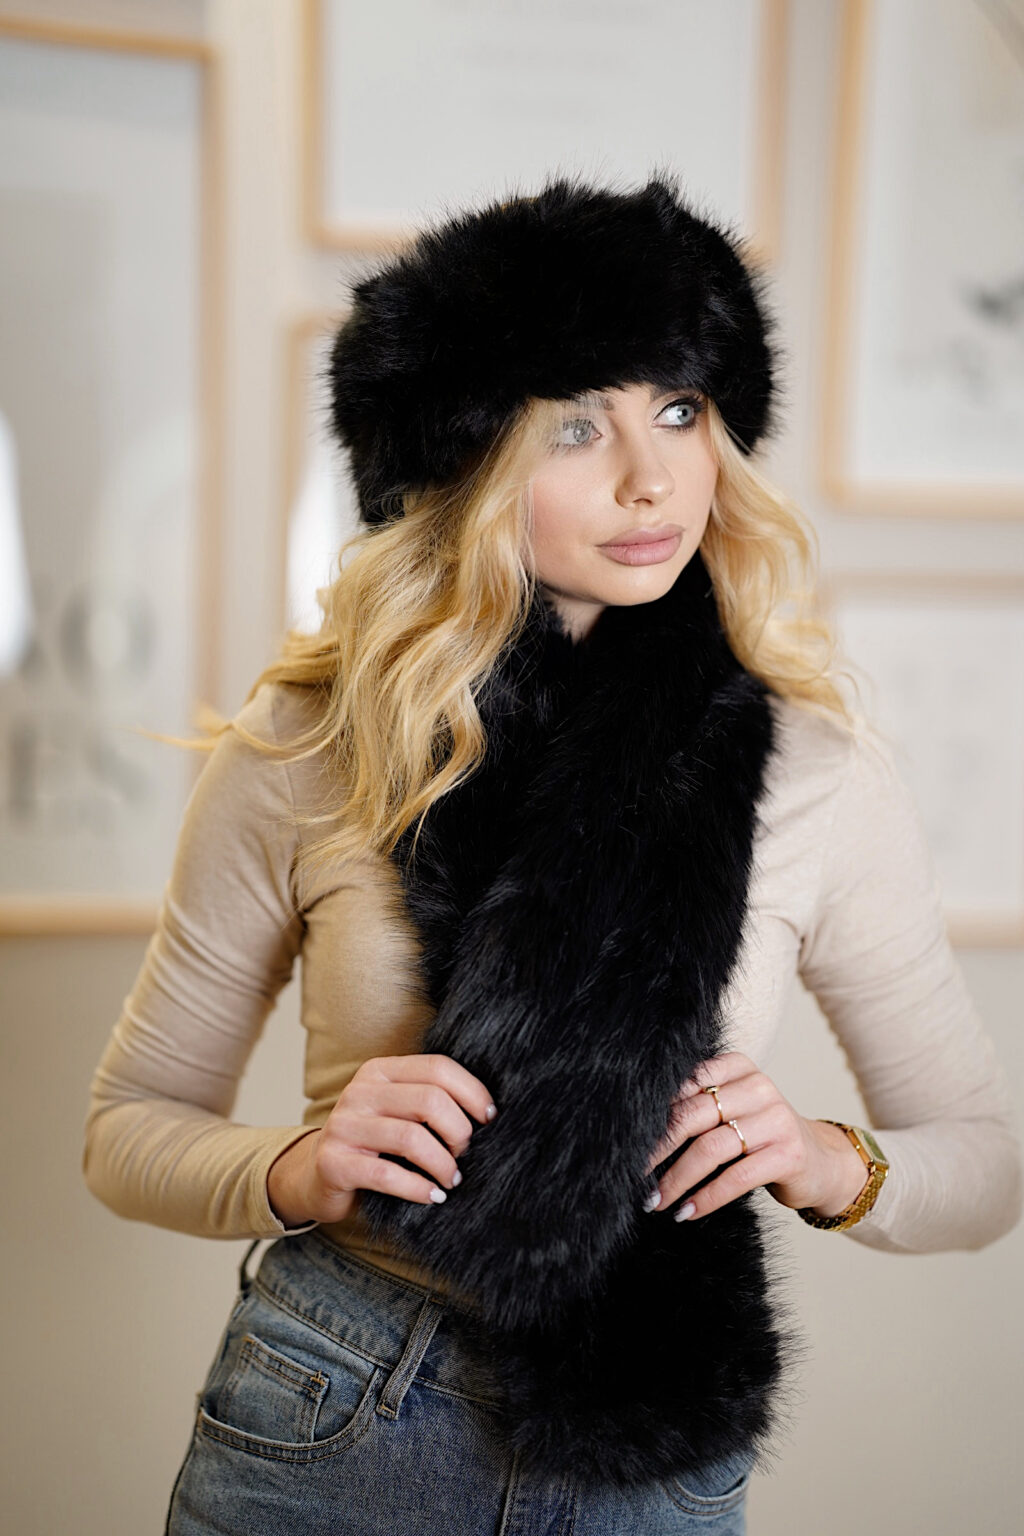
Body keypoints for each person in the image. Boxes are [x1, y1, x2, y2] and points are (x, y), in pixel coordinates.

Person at [82, 171, 1022, 1536]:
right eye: (577, 426)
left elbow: (984, 1165)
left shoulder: (817, 770)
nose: (653, 477)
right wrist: (300, 1167)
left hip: (656, 1437)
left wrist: (826, 1162)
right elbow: (128, 1130)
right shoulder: (309, 746)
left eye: (681, 409)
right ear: (464, 462)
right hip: (342, 1397)